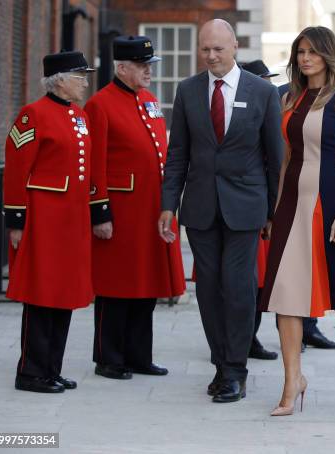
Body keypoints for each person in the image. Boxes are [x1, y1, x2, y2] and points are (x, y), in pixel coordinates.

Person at [159, 19, 283, 403]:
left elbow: (275, 158)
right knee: (209, 291)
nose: (211, 56)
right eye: (205, 50)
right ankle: (220, 365)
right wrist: (168, 204)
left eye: (219, 49)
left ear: (234, 48)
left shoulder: (262, 92)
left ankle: (235, 370)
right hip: (200, 208)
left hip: (246, 208)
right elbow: (177, 154)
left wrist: (272, 211)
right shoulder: (188, 90)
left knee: (240, 287)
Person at [259, 26, 335, 416]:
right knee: (285, 294)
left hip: (328, 202)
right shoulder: (290, 97)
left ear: (328, 55)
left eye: (313, 51)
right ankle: (293, 381)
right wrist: (275, 211)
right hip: (292, 202)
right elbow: (288, 160)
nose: (305, 58)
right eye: (300, 51)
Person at [85, 36, 185, 380]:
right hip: (121, 210)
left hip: (150, 210)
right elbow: (93, 163)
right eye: (142, 66)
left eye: (149, 66)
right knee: (116, 287)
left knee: (146, 286)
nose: (148, 72)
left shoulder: (149, 100)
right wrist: (99, 212)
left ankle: (139, 355)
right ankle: (109, 358)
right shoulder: (100, 104)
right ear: (122, 68)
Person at [3, 51, 96, 393]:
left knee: (63, 296)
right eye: (79, 76)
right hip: (43, 220)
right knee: (41, 296)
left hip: (72, 222)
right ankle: (30, 372)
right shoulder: (33, 115)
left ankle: (51, 369)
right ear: (59, 80)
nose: (85, 81)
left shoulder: (80, 115)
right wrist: (16, 220)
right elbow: (16, 170)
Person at [241, 59, 335, 359]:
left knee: (304, 266)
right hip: (263, 199)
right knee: (267, 279)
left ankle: (306, 329)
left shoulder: (285, 100)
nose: (268, 86)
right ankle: (250, 339)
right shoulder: (255, 108)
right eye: (262, 80)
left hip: (293, 192)